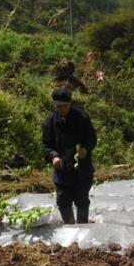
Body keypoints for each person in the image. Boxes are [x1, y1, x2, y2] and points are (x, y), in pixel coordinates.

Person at [42, 87, 97, 224]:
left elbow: (91, 138)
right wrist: (53, 156)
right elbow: (46, 146)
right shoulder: (49, 123)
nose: (61, 109)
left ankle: (82, 227)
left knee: (82, 200)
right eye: (58, 106)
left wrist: (85, 149)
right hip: (62, 171)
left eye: (64, 106)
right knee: (63, 200)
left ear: (70, 104)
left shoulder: (82, 118)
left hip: (81, 170)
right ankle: (70, 228)